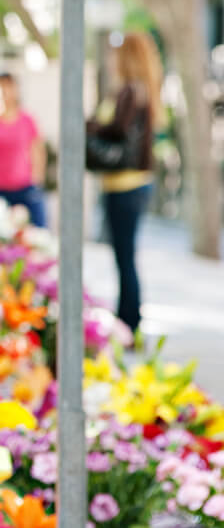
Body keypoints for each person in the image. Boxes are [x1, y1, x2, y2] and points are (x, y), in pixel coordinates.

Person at [88, 32, 161, 335]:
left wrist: (92, 126)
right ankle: (127, 320)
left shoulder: (131, 91)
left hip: (126, 186)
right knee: (124, 256)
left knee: (125, 257)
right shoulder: (139, 91)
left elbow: (118, 131)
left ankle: (129, 323)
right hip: (129, 185)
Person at [0, 72, 47, 227]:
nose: (4, 91)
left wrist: (37, 181)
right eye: (0, 86)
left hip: (24, 188)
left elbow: (37, 151)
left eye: (8, 86)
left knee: (37, 230)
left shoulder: (27, 120)